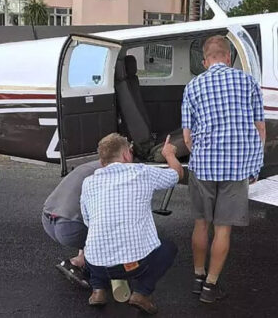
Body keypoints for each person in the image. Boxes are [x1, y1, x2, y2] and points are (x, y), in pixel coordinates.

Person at [181, 35, 266, 303]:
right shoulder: (249, 82)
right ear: (229, 58)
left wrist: (202, 155)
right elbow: (260, 128)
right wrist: (254, 164)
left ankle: (197, 276)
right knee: (223, 229)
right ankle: (210, 287)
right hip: (238, 167)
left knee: (201, 224)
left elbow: (187, 136)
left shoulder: (193, 86)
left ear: (205, 61)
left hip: (204, 166)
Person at [80, 133, 183, 315]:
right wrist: (169, 155)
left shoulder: (89, 183)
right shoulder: (141, 172)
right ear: (127, 154)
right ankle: (142, 293)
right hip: (134, 264)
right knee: (169, 249)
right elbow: (176, 175)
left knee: (95, 241)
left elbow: (87, 220)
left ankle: (98, 290)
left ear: (102, 160)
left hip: (97, 265)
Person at [42, 160, 101, 288]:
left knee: (84, 213)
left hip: (48, 219)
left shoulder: (88, 166)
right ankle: (80, 262)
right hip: (69, 228)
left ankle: (83, 258)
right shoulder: (110, 174)